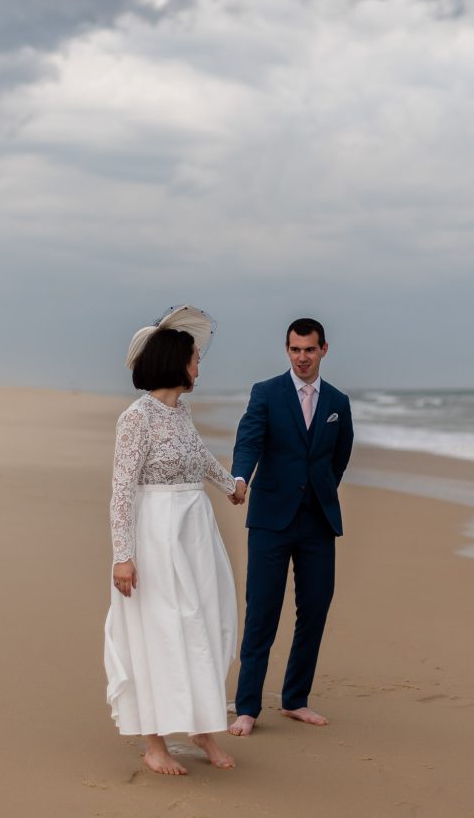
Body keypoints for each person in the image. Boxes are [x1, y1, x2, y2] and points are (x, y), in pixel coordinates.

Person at [104, 305, 243, 775]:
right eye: (195, 359)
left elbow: (200, 458)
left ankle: (201, 726)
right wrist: (122, 556)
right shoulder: (136, 418)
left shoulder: (180, 413)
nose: (199, 366)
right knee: (159, 630)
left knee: (202, 623)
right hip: (156, 534)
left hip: (195, 532)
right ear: (175, 362)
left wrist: (231, 486)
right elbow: (121, 489)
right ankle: (154, 741)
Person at [228, 317, 354, 736]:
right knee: (262, 611)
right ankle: (247, 706)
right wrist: (240, 478)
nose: (302, 357)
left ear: (324, 350)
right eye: (295, 350)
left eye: (310, 350)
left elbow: (339, 458)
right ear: (287, 350)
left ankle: (295, 699)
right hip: (270, 521)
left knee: (314, 610)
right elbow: (248, 440)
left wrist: (318, 492)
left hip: (317, 521)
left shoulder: (338, 402)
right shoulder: (266, 393)